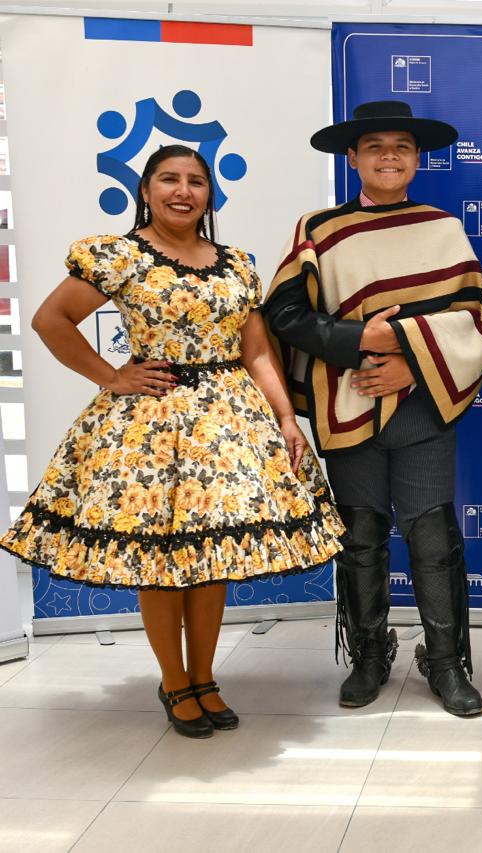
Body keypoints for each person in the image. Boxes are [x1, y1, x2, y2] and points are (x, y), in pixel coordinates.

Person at [0, 144, 344, 738]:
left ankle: (205, 677)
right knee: (160, 561)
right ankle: (174, 681)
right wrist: (112, 376)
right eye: (169, 180)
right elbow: (51, 321)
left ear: (210, 193)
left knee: (209, 559)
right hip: (150, 428)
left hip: (230, 425)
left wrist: (287, 418)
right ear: (146, 190)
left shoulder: (236, 263)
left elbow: (256, 347)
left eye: (195, 181)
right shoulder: (120, 254)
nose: (183, 191)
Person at [263, 100, 482, 716]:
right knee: (361, 534)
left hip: (421, 404)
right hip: (348, 398)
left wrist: (410, 362)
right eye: (374, 147)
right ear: (352, 157)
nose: (389, 156)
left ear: (417, 158)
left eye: (401, 146)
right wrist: (362, 342)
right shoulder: (321, 230)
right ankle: (370, 652)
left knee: (432, 536)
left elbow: (473, 320)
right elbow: (283, 317)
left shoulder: (443, 227)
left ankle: (445, 662)